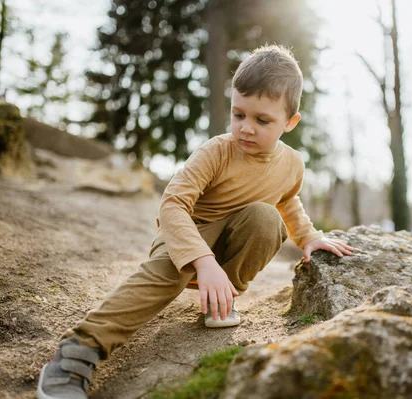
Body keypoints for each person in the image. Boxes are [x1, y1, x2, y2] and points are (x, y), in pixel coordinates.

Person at [36, 44, 353, 399]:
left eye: (262, 120)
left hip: (231, 243)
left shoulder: (292, 164)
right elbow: (172, 204)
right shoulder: (216, 151)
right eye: (238, 114)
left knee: (266, 218)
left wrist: (308, 236)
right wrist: (201, 260)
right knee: (172, 274)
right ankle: (79, 348)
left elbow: (286, 200)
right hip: (186, 234)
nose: (246, 128)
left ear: (290, 123)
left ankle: (221, 298)